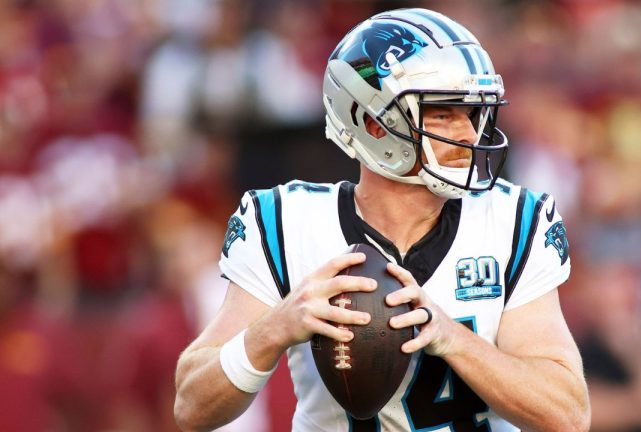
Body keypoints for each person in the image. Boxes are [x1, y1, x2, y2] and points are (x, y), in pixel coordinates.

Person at [174, 8, 590, 432]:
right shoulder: (285, 222)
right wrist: (275, 328)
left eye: (471, 113)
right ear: (373, 124)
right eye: (443, 113)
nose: (467, 134)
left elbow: (567, 415)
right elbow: (191, 406)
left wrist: (453, 339)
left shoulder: (513, 219)